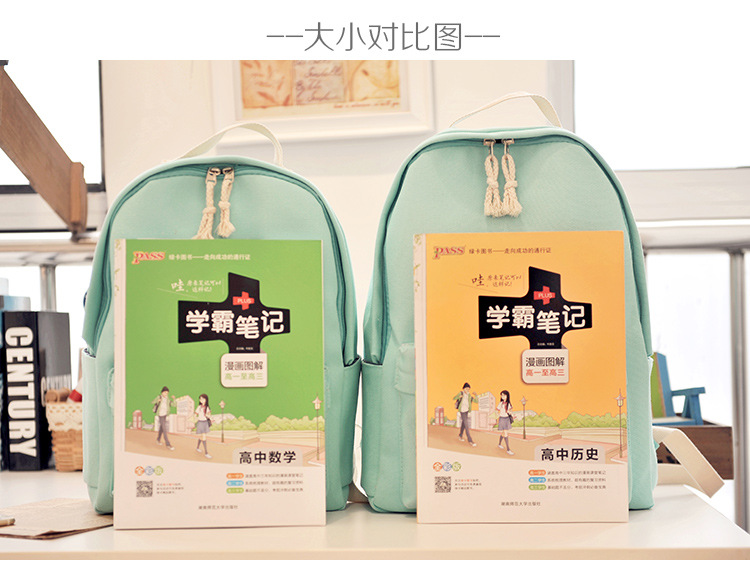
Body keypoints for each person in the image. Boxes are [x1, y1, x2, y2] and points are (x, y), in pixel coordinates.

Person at [453, 383, 477, 447]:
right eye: (466, 389)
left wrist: (476, 395)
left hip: (467, 411)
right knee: (466, 426)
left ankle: (460, 435)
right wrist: (459, 397)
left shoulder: (469, 395)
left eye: (468, 389)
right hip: (462, 411)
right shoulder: (461, 393)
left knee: (463, 424)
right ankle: (470, 440)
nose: (467, 390)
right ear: (464, 388)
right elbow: (454, 398)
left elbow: (476, 401)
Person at [153, 386, 175, 450]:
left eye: (167, 393)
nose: (166, 394)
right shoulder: (159, 397)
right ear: (162, 392)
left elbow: (174, 405)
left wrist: (174, 399)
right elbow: (153, 402)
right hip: (160, 415)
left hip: (165, 415)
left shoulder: (168, 399)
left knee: (161, 428)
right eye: (165, 392)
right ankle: (168, 444)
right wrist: (158, 401)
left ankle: (158, 439)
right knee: (164, 429)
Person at [496, 390, 515, 455]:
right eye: (502, 395)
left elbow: (510, 412)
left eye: (504, 395)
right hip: (502, 419)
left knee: (504, 433)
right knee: (505, 433)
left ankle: (500, 444)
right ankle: (508, 449)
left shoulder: (509, 404)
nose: (502, 396)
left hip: (507, 419)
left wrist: (512, 415)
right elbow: (497, 410)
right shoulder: (500, 403)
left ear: (507, 396)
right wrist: (497, 415)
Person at [195, 393, 212, 459]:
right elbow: (195, 414)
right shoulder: (199, 407)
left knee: (202, 436)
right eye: (200, 399)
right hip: (200, 422)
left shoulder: (207, 407)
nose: (201, 400)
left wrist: (208, 416)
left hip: (205, 423)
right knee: (203, 437)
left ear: (206, 399)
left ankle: (197, 447)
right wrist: (194, 419)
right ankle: (206, 453)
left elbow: (209, 415)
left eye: (202, 399)